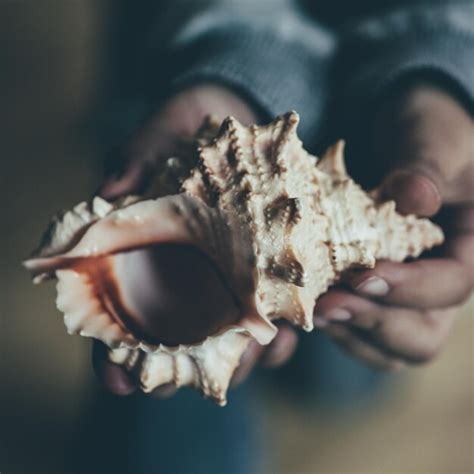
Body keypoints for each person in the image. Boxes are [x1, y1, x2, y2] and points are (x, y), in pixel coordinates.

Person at [85, 1, 473, 473]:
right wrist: (233, 65)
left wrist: (447, 67)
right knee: (170, 427)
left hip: (371, 150)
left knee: (339, 377)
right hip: (185, 48)